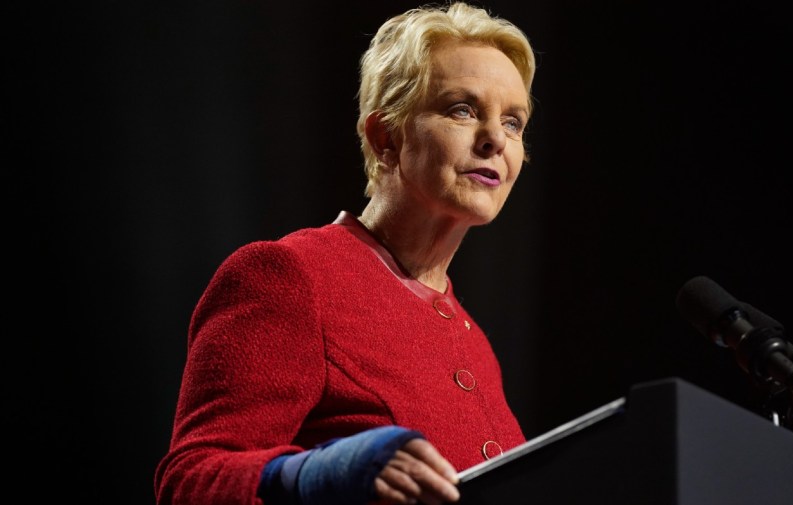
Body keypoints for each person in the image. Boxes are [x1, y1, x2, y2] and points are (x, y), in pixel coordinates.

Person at [154, 2, 537, 504]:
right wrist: (317, 474)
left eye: (513, 122)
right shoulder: (290, 276)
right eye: (461, 109)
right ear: (386, 136)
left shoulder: (476, 342)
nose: (495, 141)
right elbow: (189, 480)